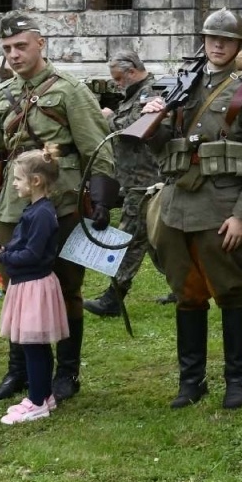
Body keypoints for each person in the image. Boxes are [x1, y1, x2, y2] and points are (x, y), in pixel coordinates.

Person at [141, 8, 242, 410]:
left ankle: (238, 380)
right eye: (211, 38)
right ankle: (191, 380)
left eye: (226, 40)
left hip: (221, 210)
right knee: (187, 294)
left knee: (232, 293)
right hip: (178, 205)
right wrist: (153, 118)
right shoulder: (184, 86)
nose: (217, 45)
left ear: (238, 47)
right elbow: (163, 143)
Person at [0, 15, 120, 405]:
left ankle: (66, 371)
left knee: (65, 287)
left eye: (21, 46)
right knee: (12, 281)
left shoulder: (70, 91)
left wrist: (102, 200)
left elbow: (99, 146)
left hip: (62, 203)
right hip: (15, 204)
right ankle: (19, 370)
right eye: (7, 48)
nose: (14, 55)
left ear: (40, 44)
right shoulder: (1, 95)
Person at [0, 145, 71, 425]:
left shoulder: (43, 214)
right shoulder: (35, 210)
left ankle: (36, 403)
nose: (14, 184)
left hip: (34, 286)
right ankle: (44, 395)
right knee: (34, 345)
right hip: (28, 285)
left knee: (34, 346)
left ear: (36, 181)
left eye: (18, 179)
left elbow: (33, 255)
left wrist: (1, 256)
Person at [85, 51, 162, 318]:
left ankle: (113, 298)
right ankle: (185, 284)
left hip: (145, 181)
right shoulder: (135, 93)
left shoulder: (150, 92)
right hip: (133, 178)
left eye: (118, 78)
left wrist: (106, 117)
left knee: (128, 238)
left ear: (131, 71)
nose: (116, 83)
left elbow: (133, 128)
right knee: (153, 241)